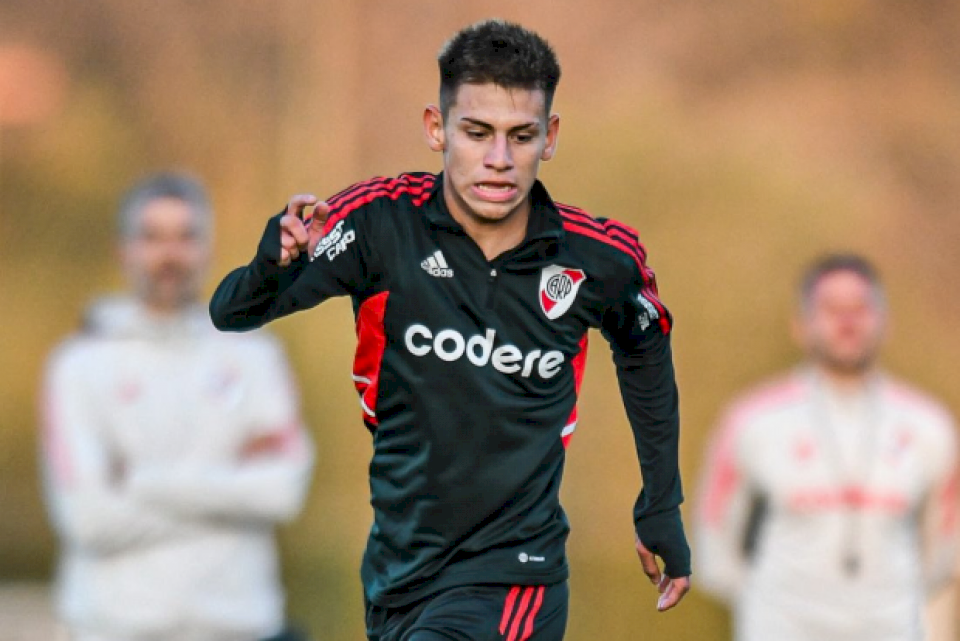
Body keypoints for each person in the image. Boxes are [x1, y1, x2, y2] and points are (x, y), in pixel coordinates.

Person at [209, 18, 690, 641]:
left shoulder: (599, 258)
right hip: (396, 571)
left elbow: (646, 352)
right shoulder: (379, 223)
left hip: (515, 576)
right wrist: (272, 263)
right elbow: (232, 313)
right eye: (477, 132)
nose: (498, 159)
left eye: (521, 135)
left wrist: (660, 504)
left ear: (550, 137)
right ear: (436, 128)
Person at [40, 173, 315, 641]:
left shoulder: (255, 356)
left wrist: (143, 480)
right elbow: (86, 517)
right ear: (122, 248)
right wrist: (228, 478)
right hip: (117, 627)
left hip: (242, 625)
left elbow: (283, 490)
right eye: (152, 237)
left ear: (207, 246)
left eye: (185, 236)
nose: (169, 254)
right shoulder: (78, 365)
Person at [695, 254, 959, 641]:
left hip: (890, 626)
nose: (847, 321)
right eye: (832, 309)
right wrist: (765, 601)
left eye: (860, 308)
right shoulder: (754, 420)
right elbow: (714, 535)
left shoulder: (928, 425)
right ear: (801, 326)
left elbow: (945, 540)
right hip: (781, 626)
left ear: (884, 322)